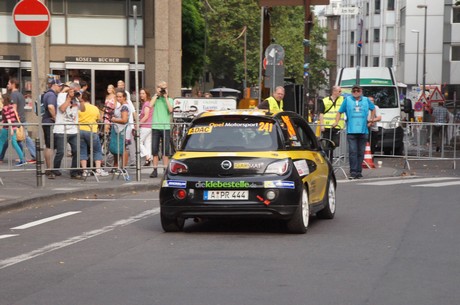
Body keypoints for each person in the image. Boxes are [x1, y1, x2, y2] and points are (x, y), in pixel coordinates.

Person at [332, 84, 375, 179]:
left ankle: (359, 171)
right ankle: (353, 171)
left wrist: (371, 120)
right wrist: (336, 121)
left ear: (361, 91)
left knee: (360, 152)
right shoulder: (347, 100)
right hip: (351, 131)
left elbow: (373, 109)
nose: (356, 92)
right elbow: (340, 111)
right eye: (354, 91)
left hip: (363, 131)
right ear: (352, 92)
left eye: (358, 91)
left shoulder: (366, 100)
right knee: (353, 152)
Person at [53, 82, 85, 179]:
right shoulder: (61, 96)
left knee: (76, 151)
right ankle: (55, 170)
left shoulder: (77, 98)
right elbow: (62, 109)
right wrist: (69, 98)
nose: (76, 93)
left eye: (78, 91)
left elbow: (83, 109)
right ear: (70, 89)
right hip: (61, 129)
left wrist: (80, 99)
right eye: (75, 91)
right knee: (61, 152)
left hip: (73, 130)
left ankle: (74, 172)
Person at [78, 91, 109, 177]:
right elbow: (98, 119)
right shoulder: (94, 108)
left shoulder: (79, 108)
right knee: (97, 150)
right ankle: (98, 169)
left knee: (83, 151)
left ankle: (84, 171)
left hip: (80, 130)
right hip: (91, 130)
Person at [7, 78, 36, 163]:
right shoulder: (20, 94)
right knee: (17, 139)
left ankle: (34, 155)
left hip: (17, 120)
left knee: (24, 138)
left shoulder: (13, 95)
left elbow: (14, 109)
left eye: (9, 83)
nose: (7, 85)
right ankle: (23, 156)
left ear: (13, 84)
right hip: (21, 119)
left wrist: (11, 120)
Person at [149, 81, 173, 178]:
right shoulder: (156, 99)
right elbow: (150, 105)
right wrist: (157, 94)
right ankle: (154, 169)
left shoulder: (170, 99)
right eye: (161, 87)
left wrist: (166, 97)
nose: (163, 89)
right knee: (154, 149)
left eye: (164, 88)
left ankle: (165, 169)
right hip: (155, 126)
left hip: (165, 127)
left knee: (165, 150)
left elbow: (170, 110)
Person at [42, 78, 63, 179]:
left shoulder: (49, 94)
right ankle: (49, 169)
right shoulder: (51, 95)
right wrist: (55, 118)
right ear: (54, 85)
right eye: (59, 86)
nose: (60, 87)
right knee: (50, 146)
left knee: (49, 145)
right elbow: (50, 107)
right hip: (49, 123)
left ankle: (49, 169)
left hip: (47, 123)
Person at [318, 86, 344, 160]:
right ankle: (328, 160)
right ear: (334, 91)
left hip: (337, 127)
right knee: (327, 144)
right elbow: (321, 114)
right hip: (327, 126)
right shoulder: (325, 100)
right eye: (339, 91)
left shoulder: (342, 100)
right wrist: (322, 125)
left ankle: (329, 157)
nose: (340, 93)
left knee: (335, 143)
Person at [0, 94, 26, 166]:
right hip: (14, 127)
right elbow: (13, 118)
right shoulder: (11, 107)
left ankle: (22, 159)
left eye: (2, 98)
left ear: (4, 100)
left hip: (7, 128)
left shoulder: (5, 108)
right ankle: (22, 159)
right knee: (15, 144)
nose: (1, 100)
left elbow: (9, 119)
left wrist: (10, 129)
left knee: (1, 143)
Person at [117, 80, 137, 166]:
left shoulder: (127, 104)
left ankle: (132, 161)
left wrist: (136, 123)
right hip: (120, 127)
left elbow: (133, 112)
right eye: (119, 85)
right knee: (124, 145)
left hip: (127, 126)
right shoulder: (118, 103)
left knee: (127, 145)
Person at [110, 89, 131, 170]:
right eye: (117, 97)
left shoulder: (125, 107)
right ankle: (116, 166)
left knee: (123, 148)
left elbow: (124, 120)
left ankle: (123, 167)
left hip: (122, 129)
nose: (118, 98)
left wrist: (114, 119)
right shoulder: (120, 106)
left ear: (124, 97)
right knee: (116, 148)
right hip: (117, 129)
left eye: (120, 97)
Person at [138, 88, 153, 166]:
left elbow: (146, 116)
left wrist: (138, 123)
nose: (141, 95)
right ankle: (149, 159)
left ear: (147, 94)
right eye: (140, 93)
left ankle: (147, 157)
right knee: (147, 143)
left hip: (145, 125)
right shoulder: (149, 103)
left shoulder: (146, 104)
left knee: (138, 141)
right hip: (150, 125)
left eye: (143, 93)